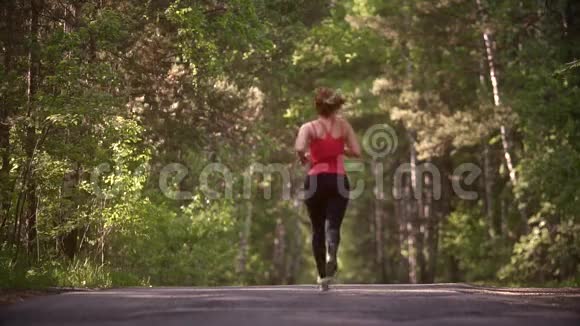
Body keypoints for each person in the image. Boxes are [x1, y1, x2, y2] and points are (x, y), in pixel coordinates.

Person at [294, 87, 361, 291]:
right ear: (336, 107)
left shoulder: (309, 127)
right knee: (333, 226)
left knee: (317, 229)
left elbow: (299, 147)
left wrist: (305, 158)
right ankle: (332, 254)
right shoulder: (344, 126)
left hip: (315, 180)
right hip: (338, 179)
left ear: (317, 106)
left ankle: (323, 276)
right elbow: (357, 152)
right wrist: (341, 149)